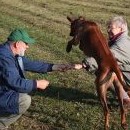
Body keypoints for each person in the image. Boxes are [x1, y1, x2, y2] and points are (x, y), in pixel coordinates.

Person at [0, 28, 81, 130]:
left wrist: (56, 67)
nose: (28, 46)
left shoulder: (11, 53)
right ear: (17, 44)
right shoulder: (4, 57)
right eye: (26, 43)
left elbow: (32, 64)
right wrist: (36, 84)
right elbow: (15, 82)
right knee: (24, 100)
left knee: (24, 91)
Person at [82, 16, 130, 105]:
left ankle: (126, 99)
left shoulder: (123, 44)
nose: (108, 30)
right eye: (108, 27)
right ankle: (125, 93)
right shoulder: (117, 40)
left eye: (111, 27)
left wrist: (84, 64)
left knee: (106, 70)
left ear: (121, 28)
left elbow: (106, 58)